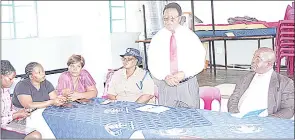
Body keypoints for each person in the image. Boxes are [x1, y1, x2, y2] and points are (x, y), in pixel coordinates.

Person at [147, 2, 206, 108]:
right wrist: (165, 76)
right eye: (165, 18)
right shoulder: (157, 39)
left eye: (172, 18)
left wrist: (185, 73)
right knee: (167, 119)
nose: (169, 21)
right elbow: (152, 63)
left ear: (179, 18)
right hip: (166, 85)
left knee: (192, 118)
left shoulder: (190, 37)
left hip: (187, 84)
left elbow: (199, 60)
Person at [228, 47, 294, 119]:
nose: (253, 61)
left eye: (257, 59)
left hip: (266, 122)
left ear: (268, 64)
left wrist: (268, 120)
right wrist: (235, 114)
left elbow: (288, 109)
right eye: (253, 57)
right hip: (239, 119)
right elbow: (233, 98)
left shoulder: (284, 83)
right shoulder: (245, 78)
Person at [1, 60, 42, 139]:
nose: (13, 82)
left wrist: (19, 112)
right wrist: (16, 115)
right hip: (2, 127)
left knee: (36, 130)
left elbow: (7, 111)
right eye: (10, 79)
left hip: (7, 123)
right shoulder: (22, 85)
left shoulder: (5, 90)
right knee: (35, 136)